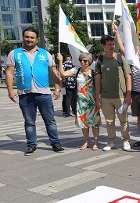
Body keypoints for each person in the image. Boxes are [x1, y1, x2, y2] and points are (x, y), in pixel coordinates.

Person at [5, 27, 65, 156]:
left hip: (43, 93)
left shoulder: (45, 53)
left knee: (50, 120)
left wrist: (57, 89)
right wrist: (10, 90)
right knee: (29, 122)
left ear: (36, 39)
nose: (29, 39)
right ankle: (31, 144)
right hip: (25, 94)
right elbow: (9, 73)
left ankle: (55, 142)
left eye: (32, 37)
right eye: (27, 37)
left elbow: (54, 72)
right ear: (23, 38)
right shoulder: (15, 53)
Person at [113, 25, 140, 149]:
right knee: (139, 118)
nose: (136, 51)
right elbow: (121, 47)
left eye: (137, 49)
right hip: (135, 94)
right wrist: (117, 34)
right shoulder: (132, 61)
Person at [94, 34, 132, 151]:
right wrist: (97, 96)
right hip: (106, 97)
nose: (112, 46)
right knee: (109, 121)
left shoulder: (120, 58)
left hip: (121, 96)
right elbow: (97, 79)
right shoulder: (100, 60)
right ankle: (112, 142)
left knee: (123, 120)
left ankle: (126, 141)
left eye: (113, 44)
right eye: (109, 44)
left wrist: (128, 95)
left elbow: (128, 76)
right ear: (103, 46)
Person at [57, 52, 101, 150]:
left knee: (94, 123)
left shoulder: (93, 73)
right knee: (83, 122)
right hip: (80, 101)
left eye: (85, 61)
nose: (82, 62)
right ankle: (86, 142)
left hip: (92, 101)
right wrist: (60, 62)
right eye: (81, 60)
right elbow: (63, 73)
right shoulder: (76, 70)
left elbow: (98, 88)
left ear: (89, 62)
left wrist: (98, 99)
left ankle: (96, 142)